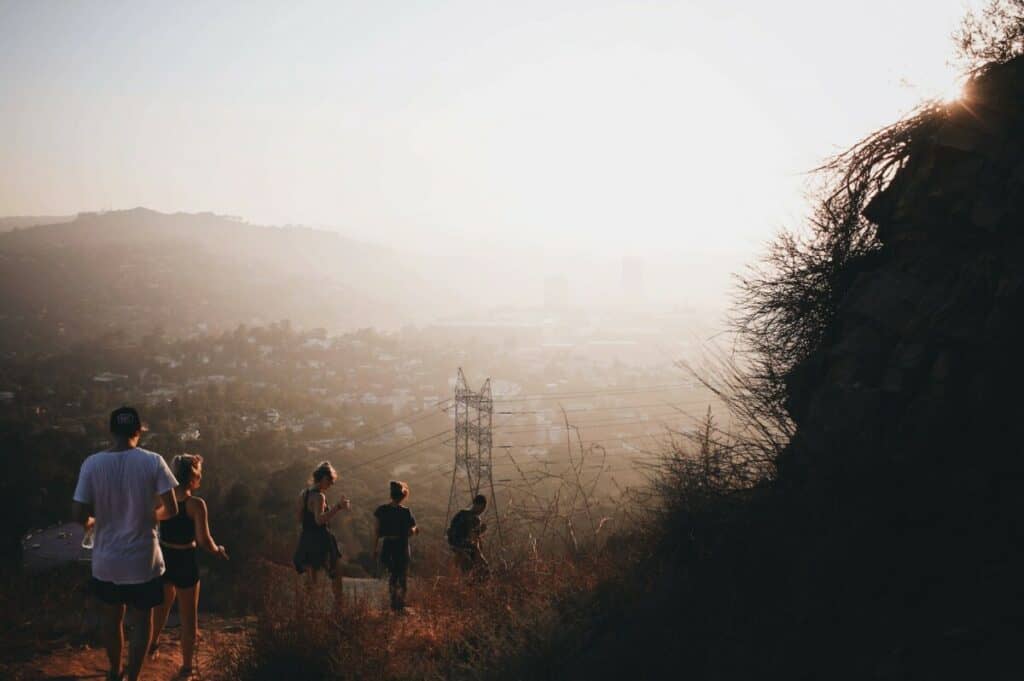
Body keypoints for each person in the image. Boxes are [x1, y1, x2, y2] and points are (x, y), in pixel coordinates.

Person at [71, 406, 179, 681]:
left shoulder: (92, 463)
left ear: (111, 432)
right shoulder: (153, 461)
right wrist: (151, 516)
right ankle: (133, 677)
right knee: (142, 620)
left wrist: (91, 523)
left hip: (107, 561)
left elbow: (77, 512)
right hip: (143, 559)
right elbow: (172, 509)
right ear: (138, 432)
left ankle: (114, 671)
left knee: (112, 618)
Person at [149, 454, 229, 678]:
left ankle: (153, 643)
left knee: (160, 609)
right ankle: (186, 668)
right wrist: (218, 550)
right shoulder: (195, 505)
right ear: (193, 478)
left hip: (164, 557)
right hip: (185, 560)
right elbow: (204, 541)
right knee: (188, 619)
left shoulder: (160, 498)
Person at [293, 461, 350, 611]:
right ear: (324, 478)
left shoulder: (303, 494)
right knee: (335, 573)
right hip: (321, 538)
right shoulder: (319, 497)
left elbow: (299, 518)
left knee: (311, 577)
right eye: (331, 481)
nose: (331, 485)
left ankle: (307, 610)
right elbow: (319, 520)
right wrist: (338, 507)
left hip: (306, 537)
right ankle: (339, 608)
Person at [373, 480, 418, 612]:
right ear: (403, 496)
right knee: (401, 575)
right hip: (402, 545)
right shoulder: (406, 512)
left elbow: (376, 531)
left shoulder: (381, 510)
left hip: (388, 545)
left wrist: (374, 549)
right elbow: (413, 529)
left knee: (393, 575)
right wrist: (414, 530)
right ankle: (400, 604)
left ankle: (394, 603)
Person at [447, 494, 489, 579]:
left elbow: (451, 531)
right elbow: (472, 537)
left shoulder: (462, 513)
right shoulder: (473, 518)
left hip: (457, 547)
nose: (482, 510)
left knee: (465, 573)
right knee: (475, 571)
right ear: (479, 505)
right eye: (482, 508)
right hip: (464, 548)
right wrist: (480, 531)